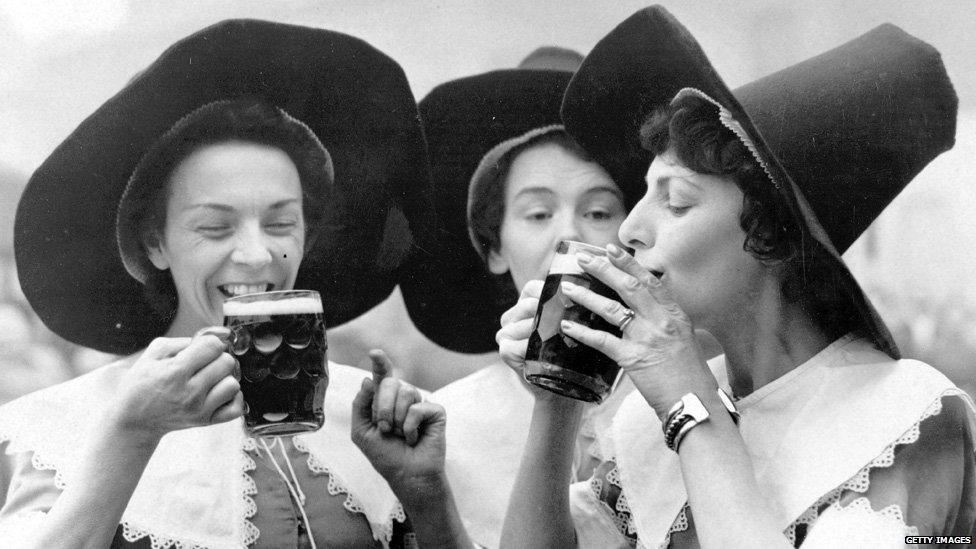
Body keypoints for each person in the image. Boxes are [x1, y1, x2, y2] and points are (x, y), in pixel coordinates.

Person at [497, 6, 975, 547]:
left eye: (674, 202)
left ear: (768, 235)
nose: (629, 228)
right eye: (641, 195)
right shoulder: (641, 422)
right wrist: (558, 403)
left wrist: (688, 402)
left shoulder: (906, 414)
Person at [0, 20, 469, 548]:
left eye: (280, 223)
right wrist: (131, 436)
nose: (255, 254)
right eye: (215, 227)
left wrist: (426, 497)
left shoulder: (370, 421)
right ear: (155, 243)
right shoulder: (70, 426)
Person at [402, 58, 642, 547]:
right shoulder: (451, 421)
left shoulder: (684, 386)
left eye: (598, 211)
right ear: (493, 248)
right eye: (537, 213)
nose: (570, 234)